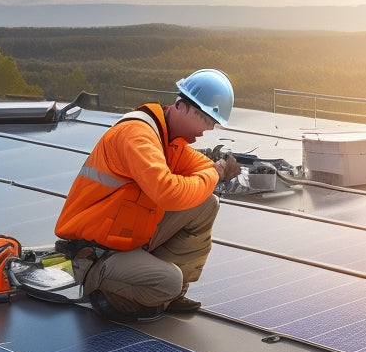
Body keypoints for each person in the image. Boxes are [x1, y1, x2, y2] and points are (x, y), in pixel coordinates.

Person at [54, 69, 241, 321]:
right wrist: (216, 174)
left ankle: (166, 293)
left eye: (212, 123)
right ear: (183, 107)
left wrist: (213, 171)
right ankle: (104, 287)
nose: (207, 130)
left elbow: (202, 168)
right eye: (206, 120)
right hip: (96, 251)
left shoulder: (169, 140)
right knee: (169, 281)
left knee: (206, 202)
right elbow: (168, 192)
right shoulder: (138, 135)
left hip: (127, 238)